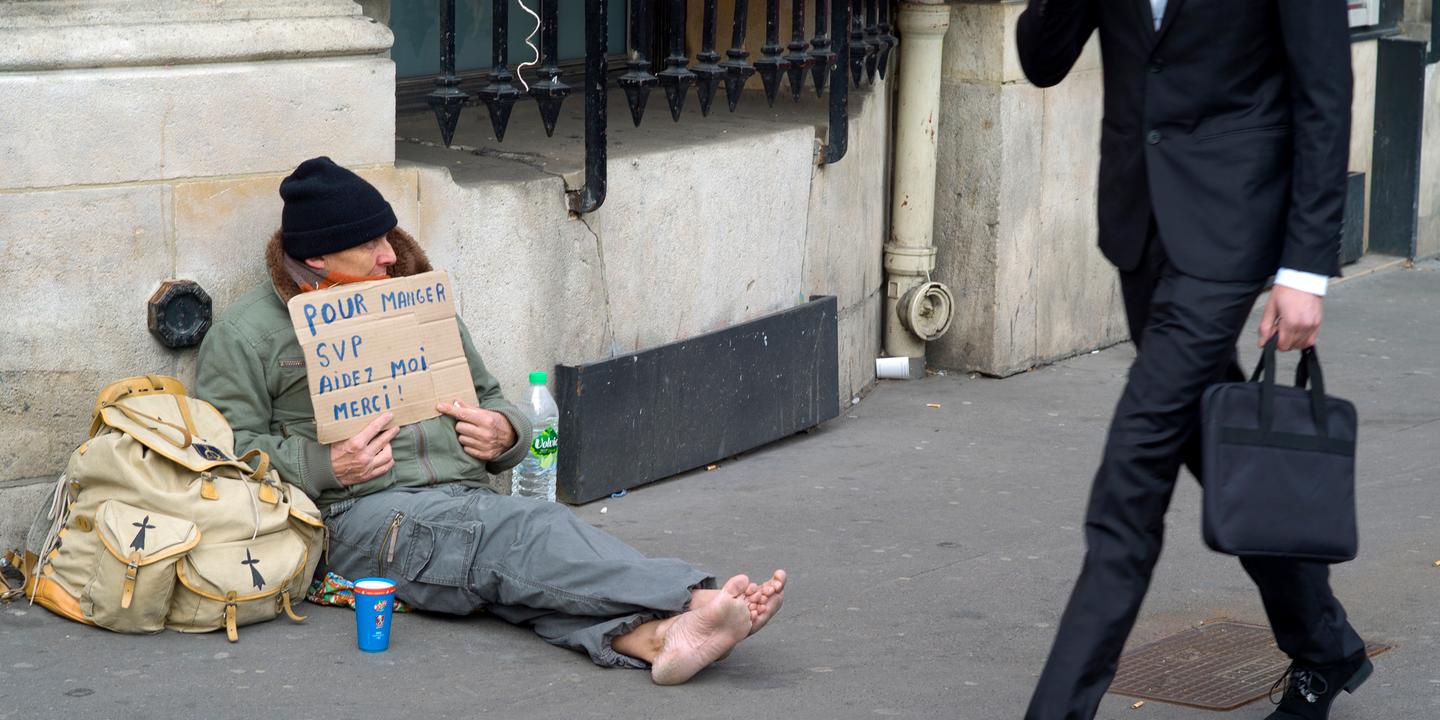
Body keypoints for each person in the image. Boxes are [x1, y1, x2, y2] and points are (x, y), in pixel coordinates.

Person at [195, 156, 786, 685]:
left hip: (464, 494)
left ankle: (656, 640)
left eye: (388, 239)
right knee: (522, 538)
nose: (389, 255)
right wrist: (328, 463)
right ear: (318, 256)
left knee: (512, 565)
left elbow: (491, 396)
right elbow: (222, 458)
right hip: (358, 518)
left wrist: (505, 433)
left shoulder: (409, 296)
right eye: (370, 244)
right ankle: (693, 598)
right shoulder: (247, 335)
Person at [1014, 2, 1369, 719]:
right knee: (1213, 443)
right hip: (1141, 219)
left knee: (1132, 469)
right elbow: (1041, 58)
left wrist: (1306, 268)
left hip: (1233, 218)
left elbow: (1324, 91)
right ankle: (1325, 644)